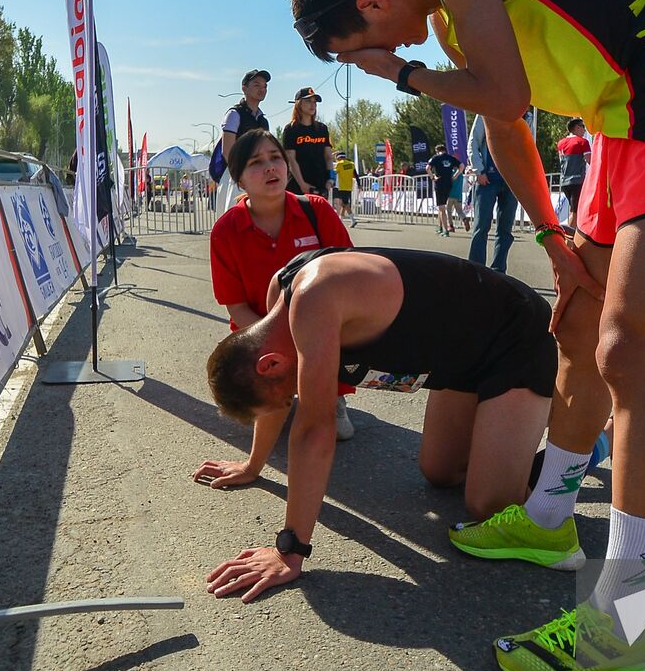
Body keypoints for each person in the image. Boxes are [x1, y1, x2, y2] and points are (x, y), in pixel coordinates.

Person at [288, 0, 645, 671]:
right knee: (577, 327)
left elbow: (505, 95)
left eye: (364, 46)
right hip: (627, 123)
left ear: (371, 3)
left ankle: (626, 621)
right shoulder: (447, 18)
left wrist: (401, 75)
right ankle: (550, 521)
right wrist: (551, 236)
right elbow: (509, 128)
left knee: (630, 350)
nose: (388, 52)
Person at [202, 246, 587, 603]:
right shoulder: (279, 315)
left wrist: (290, 550)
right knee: (439, 472)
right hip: (462, 364)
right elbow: (278, 408)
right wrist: (253, 465)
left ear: (269, 363)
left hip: (513, 338)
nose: (293, 401)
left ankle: (593, 435)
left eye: (286, 396)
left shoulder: (313, 297)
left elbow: (314, 429)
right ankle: (522, 423)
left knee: (487, 504)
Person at [207, 128, 355, 470]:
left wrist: (311, 341)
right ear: (240, 180)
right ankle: (277, 395)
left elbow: (351, 278)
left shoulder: (318, 211)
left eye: (275, 158)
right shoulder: (226, 231)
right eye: (257, 163)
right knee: (267, 403)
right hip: (261, 331)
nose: (270, 167)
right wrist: (278, 345)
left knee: (333, 430)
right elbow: (236, 306)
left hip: (322, 330)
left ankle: (331, 396)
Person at [215, 69, 279, 216]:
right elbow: (228, 151)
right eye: (257, 85)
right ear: (244, 87)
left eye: (265, 86)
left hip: (259, 175)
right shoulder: (234, 114)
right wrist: (242, 175)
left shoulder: (263, 120)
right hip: (236, 175)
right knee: (234, 217)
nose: (262, 89)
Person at [466, 111, 520, 273]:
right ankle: (476, 269)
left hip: (511, 180)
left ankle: (498, 270)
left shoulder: (524, 116)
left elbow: (525, 148)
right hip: (487, 178)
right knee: (481, 226)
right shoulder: (486, 111)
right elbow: (473, 142)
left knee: (505, 229)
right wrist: (478, 170)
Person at [284, 87, 334, 198]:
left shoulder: (322, 128)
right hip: (297, 186)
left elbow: (328, 157)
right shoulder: (291, 129)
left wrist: (331, 179)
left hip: (320, 185)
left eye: (314, 102)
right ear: (298, 104)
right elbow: (291, 159)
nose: (312, 105)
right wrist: (302, 184)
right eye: (308, 101)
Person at [556, 117, 591, 231]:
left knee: (575, 209)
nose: (585, 130)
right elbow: (590, 160)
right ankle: (569, 238)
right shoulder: (583, 142)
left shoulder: (561, 143)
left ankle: (574, 234)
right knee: (575, 212)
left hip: (565, 181)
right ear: (576, 128)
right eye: (583, 127)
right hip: (578, 180)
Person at [426, 143, 462, 236]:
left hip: (440, 183)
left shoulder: (436, 158)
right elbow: (461, 166)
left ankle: (445, 230)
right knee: (441, 207)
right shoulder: (450, 158)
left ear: (437, 151)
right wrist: (455, 175)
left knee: (441, 207)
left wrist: (432, 177)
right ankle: (440, 226)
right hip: (448, 183)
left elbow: (427, 168)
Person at [332, 150, 359, 227]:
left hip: (341, 186)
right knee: (344, 203)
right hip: (349, 186)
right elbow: (355, 175)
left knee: (345, 203)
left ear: (339, 158)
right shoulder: (351, 164)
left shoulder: (339, 164)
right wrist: (359, 184)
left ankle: (353, 219)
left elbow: (334, 173)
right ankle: (341, 219)